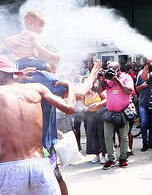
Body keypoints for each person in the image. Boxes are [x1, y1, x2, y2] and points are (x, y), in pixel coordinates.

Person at [0, 55, 76, 195]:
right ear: (12, 73)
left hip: (8, 169)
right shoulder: (36, 88)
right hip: (39, 167)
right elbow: (70, 108)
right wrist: (70, 85)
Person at [96, 61, 134, 169]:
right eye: (109, 69)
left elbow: (129, 91)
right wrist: (101, 78)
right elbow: (99, 90)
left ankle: (123, 158)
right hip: (109, 112)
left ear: (118, 70)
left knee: (123, 136)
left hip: (123, 111)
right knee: (107, 136)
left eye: (112, 69)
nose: (110, 71)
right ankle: (111, 159)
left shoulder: (126, 78)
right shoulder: (107, 78)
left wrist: (117, 81)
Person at [84, 88, 107, 164]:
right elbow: (81, 103)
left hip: (100, 113)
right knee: (92, 136)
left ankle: (104, 155)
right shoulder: (83, 94)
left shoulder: (98, 92)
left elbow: (106, 99)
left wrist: (99, 104)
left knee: (101, 135)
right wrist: (84, 108)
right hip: (89, 115)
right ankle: (96, 155)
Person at [135, 60, 152, 151]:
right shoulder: (140, 74)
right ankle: (145, 143)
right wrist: (142, 86)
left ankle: (151, 142)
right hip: (143, 103)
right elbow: (136, 89)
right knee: (144, 123)